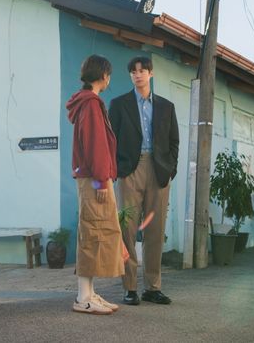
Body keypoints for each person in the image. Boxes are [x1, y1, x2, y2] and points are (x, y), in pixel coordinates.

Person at [108, 56, 179, 306]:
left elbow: (174, 141)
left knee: (155, 230)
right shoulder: (119, 104)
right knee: (127, 229)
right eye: (134, 71)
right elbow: (111, 140)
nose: (138, 75)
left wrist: (170, 169)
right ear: (130, 75)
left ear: (151, 74)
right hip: (129, 170)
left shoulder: (166, 107)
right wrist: (117, 170)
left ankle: (152, 287)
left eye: (142, 70)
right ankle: (129, 288)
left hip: (158, 171)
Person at [66, 54, 124, 315]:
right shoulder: (91, 103)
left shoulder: (87, 102)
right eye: (108, 74)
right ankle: (83, 297)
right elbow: (95, 145)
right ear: (104, 76)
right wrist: (102, 181)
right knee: (92, 233)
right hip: (95, 179)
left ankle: (89, 294)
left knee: (94, 232)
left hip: (93, 177)